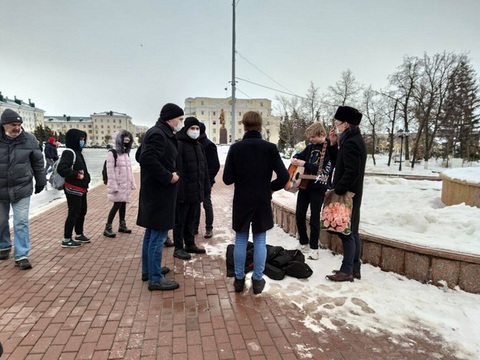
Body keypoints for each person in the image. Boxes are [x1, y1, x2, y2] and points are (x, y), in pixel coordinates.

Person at [223, 111, 289, 294]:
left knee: (241, 240)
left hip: (242, 199)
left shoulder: (236, 148)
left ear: (244, 126)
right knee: (260, 240)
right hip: (262, 199)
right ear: (260, 126)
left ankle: (238, 279)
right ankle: (258, 281)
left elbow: (227, 179)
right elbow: (284, 176)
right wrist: (270, 188)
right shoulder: (270, 148)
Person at [137, 103, 184, 291]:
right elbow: (146, 159)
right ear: (170, 118)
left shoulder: (160, 132)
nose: (181, 122)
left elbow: (141, 154)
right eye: (180, 119)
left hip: (156, 192)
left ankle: (149, 271)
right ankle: (155, 278)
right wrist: (168, 176)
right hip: (159, 193)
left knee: (151, 234)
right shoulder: (158, 134)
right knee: (158, 235)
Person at [0, 109, 46, 270]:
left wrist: (41, 181)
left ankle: (22, 255)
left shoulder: (29, 140)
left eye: (19, 125)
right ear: (3, 124)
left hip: (22, 187)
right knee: (1, 221)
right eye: (13, 125)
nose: (17, 128)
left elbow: (38, 162)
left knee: (21, 222)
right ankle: (4, 246)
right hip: (0, 189)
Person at [326, 106, 367, 282]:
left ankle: (347, 270)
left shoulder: (352, 142)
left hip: (348, 193)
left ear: (346, 123)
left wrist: (339, 189)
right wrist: (334, 145)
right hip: (353, 192)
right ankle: (354, 269)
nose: (336, 126)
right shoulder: (352, 139)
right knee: (353, 231)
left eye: (338, 122)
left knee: (347, 232)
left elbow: (352, 171)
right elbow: (339, 164)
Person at [291, 122, 337, 260]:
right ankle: (303, 242)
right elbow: (301, 156)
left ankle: (314, 248)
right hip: (305, 186)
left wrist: (305, 164)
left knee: (315, 218)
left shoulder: (330, 149)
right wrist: (296, 159)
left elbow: (324, 170)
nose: (311, 139)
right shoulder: (310, 147)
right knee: (299, 214)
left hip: (318, 188)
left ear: (322, 134)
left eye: (313, 137)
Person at [173, 117, 210, 260]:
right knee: (180, 220)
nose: (195, 131)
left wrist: (205, 187)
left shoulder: (198, 145)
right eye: (192, 128)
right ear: (186, 128)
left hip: (196, 190)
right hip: (184, 192)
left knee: (191, 219)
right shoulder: (180, 144)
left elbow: (203, 168)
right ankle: (178, 247)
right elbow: (179, 169)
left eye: (197, 129)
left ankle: (190, 244)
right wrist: (180, 192)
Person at [58, 129, 91, 248]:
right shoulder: (69, 152)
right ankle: (67, 238)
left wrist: (86, 177)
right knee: (73, 213)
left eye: (83, 138)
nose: (82, 141)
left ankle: (79, 233)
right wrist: (78, 175)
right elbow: (62, 169)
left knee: (82, 211)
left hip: (81, 188)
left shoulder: (78, 152)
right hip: (73, 188)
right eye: (80, 139)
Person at [103, 130, 136, 238]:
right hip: (117, 184)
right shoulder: (112, 153)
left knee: (123, 204)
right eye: (124, 141)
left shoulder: (126, 154)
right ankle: (108, 227)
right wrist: (113, 186)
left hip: (125, 184)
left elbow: (129, 170)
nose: (126, 143)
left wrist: (132, 182)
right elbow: (110, 171)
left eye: (128, 141)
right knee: (117, 204)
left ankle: (122, 224)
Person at [193, 122, 220, 238]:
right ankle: (194, 227)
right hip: (195, 180)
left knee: (206, 203)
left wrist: (208, 179)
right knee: (195, 204)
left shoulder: (209, 145)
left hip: (205, 181)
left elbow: (215, 165)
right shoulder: (193, 144)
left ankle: (209, 228)